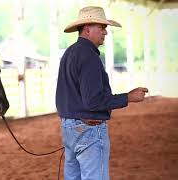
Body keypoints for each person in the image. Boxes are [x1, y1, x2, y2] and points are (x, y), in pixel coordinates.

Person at [55, 6, 148, 180]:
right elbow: (93, 101)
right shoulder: (89, 56)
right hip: (89, 130)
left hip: (69, 128)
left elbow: (64, 96)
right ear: (87, 28)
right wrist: (128, 97)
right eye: (102, 28)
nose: (105, 32)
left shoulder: (69, 53)